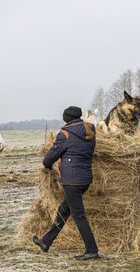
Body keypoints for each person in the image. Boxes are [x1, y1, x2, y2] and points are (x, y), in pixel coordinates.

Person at [32, 106, 100, 260]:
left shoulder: (65, 134)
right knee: (64, 210)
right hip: (85, 179)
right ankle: (45, 241)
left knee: (79, 216)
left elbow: (49, 158)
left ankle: (92, 250)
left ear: (66, 118)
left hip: (72, 181)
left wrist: (48, 166)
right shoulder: (90, 132)